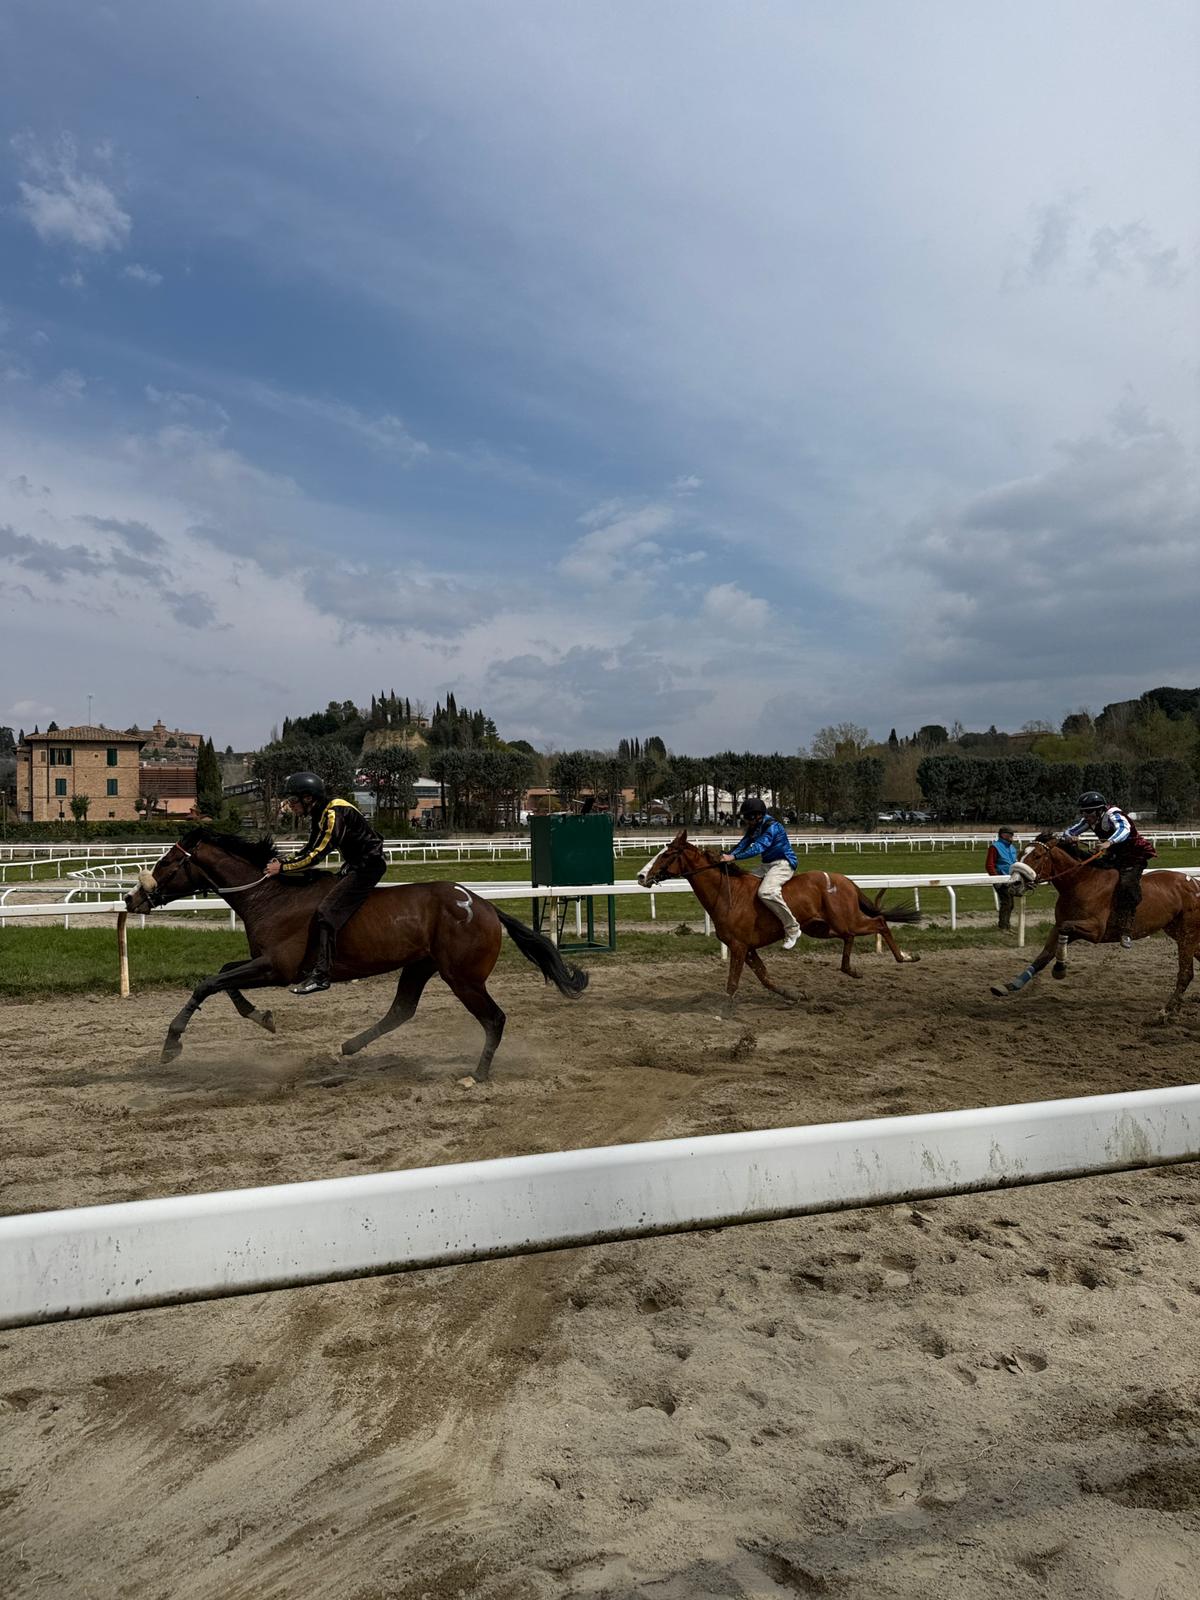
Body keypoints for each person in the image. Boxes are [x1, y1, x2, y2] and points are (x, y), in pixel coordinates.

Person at [266, 771, 386, 994]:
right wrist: (284, 862)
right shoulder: (319, 812)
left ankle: (322, 975)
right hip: (354, 864)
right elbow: (309, 848)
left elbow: (317, 856)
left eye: (293, 800)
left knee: (327, 911)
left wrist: (282, 869)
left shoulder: (333, 813)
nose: (290, 805)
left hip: (368, 867)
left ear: (308, 798)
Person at [1060, 790, 1157, 950]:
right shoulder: (1090, 819)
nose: (1085, 815)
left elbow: (1124, 830)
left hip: (1134, 856)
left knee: (1126, 885)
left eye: (1088, 812)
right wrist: (1069, 837)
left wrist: (1108, 843)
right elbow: (1069, 831)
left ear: (1099, 810)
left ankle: (1126, 929)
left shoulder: (1113, 814)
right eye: (1083, 812)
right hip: (1115, 856)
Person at [721, 796, 802, 949]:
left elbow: (758, 847)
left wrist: (734, 857)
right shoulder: (756, 825)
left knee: (766, 892)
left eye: (748, 817)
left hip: (784, 863)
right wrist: (728, 854)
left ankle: (792, 928)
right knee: (744, 884)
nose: (746, 821)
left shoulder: (772, 826)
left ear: (758, 815)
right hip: (767, 864)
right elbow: (744, 843)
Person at [985, 826, 1020, 930]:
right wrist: (996, 879)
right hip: (1000, 879)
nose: (1012, 836)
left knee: (1010, 904)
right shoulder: (995, 847)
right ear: (1004, 835)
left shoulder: (1012, 848)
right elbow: (989, 865)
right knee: (1007, 902)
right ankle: (1003, 927)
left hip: (1011, 879)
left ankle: (1006, 926)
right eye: (1010, 834)